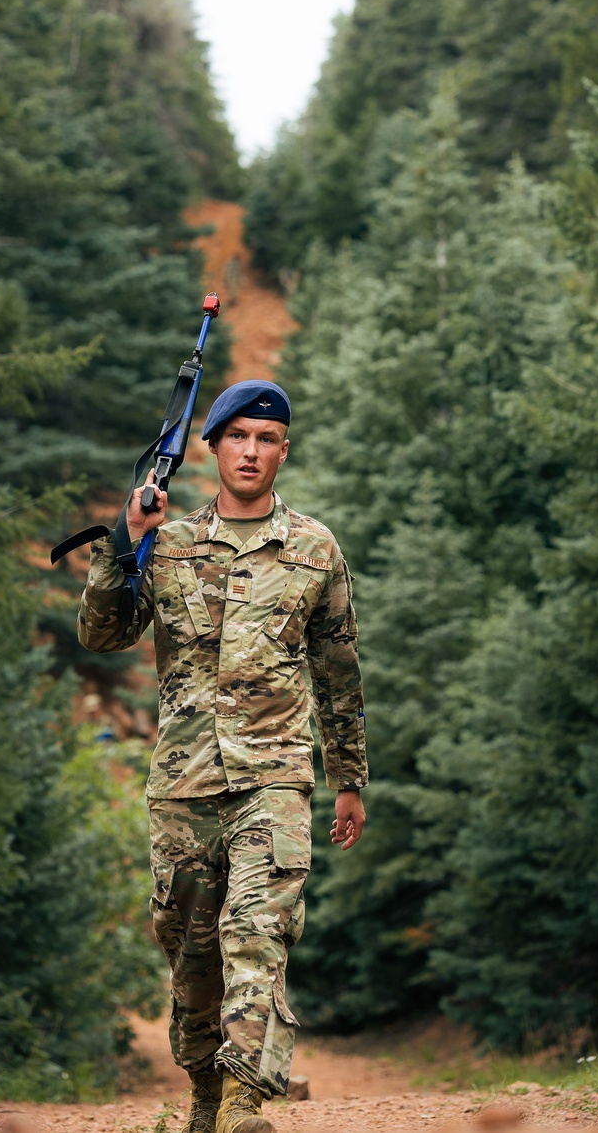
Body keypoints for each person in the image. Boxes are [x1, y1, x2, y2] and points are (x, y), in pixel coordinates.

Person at [79, 379, 368, 1133]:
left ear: (282, 452)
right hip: (184, 781)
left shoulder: (313, 547)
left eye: (266, 439)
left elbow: (339, 671)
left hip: (274, 775)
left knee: (258, 930)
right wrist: (123, 538)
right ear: (212, 448)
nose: (252, 450)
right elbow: (104, 636)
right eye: (238, 436)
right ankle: (206, 1088)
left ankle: (246, 1099)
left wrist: (348, 780)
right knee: (193, 946)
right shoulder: (167, 542)